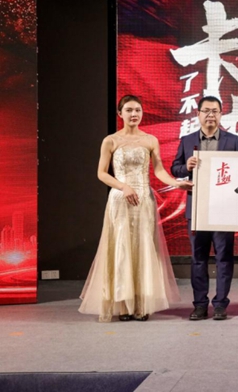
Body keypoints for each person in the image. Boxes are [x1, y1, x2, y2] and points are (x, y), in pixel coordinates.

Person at [79, 95, 191, 322]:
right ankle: (124, 305)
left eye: (137, 110)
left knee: (143, 248)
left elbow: (158, 171)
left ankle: (141, 304)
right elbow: (101, 173)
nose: (134, 114)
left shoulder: (150, 140)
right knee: (121, 248)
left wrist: (177, 183)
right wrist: (123, 187)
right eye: (129, 110)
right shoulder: (110, 141)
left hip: (144, 201)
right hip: (120, 200)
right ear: (120, 113)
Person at [171, 96, 238, 321]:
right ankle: (200, 305)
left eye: (215, 111)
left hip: (224, 209)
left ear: (221, 114)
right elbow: (175, 168)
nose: (210, 115)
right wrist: (186, 167)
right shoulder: (187, 140)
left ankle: (220, 304)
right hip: (197, 209)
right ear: (198, 114)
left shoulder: (233, 141)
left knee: (224, 258)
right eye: (206, 111)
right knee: (198, 259)